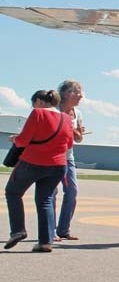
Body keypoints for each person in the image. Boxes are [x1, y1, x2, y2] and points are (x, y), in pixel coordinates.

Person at [4, 90, 73, 253]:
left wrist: (15, 139)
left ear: (40, 102)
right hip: (58, 165)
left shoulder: (37, 114)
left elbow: (22, 141)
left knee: (13, 192)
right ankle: (45, 242)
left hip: (32, 162)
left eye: (33, 103)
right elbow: (69, 144)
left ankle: (18, 230)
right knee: (45, 200)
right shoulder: (67, 118)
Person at [54, 80, 85, 241]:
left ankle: (63, 229)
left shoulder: (77, 113)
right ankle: (49, 229)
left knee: (72, 191)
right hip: (51, 156)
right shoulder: (54, 109)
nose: (81, 95)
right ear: (66, 94)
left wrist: (72, 128)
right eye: (77, 92)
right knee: (50, 193)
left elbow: (79, 138)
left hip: (68, 156)